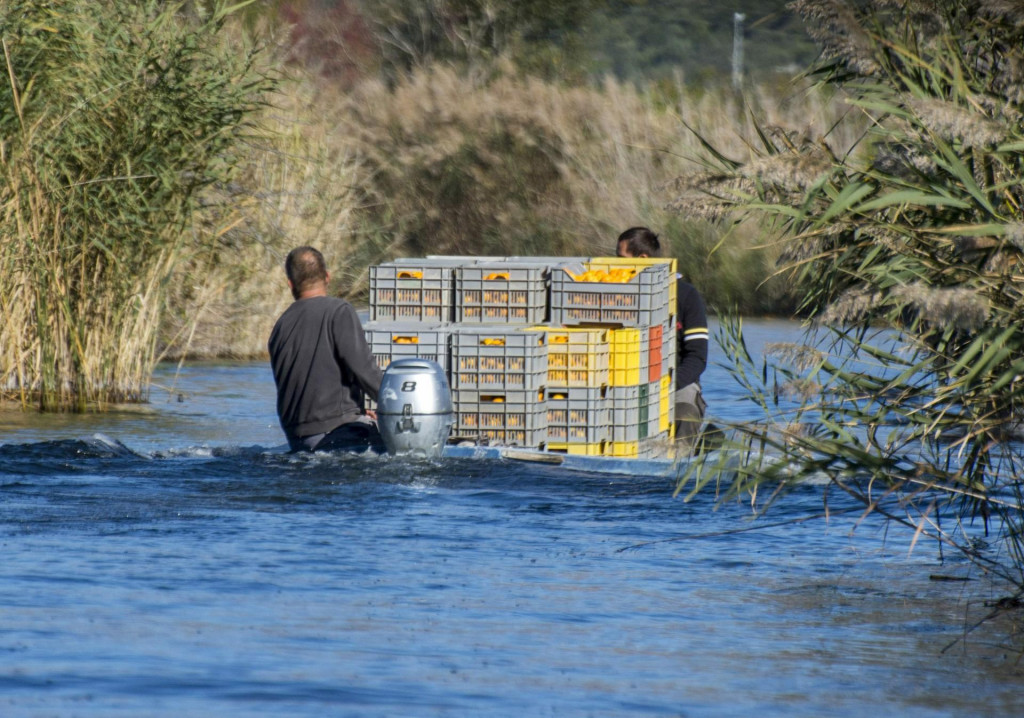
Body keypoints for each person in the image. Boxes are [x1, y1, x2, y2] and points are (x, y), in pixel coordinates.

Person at [268, 246, 386, 453]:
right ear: (327, 277)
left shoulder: (280, 326)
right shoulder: (339, 311)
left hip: (297, 440)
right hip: (338, 435)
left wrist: (357, 413)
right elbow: (366, 372)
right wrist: (395, 406)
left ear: (291, 284)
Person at [616, 227, 709, 451]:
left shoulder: (686, 296)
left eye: (621, 258)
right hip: (625, 384)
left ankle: (682, 463)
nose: (615, 263)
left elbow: (697, 358)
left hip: (676, 385)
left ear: (642, 259)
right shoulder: (615, 293)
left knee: (686, 412)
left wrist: (664, 388)